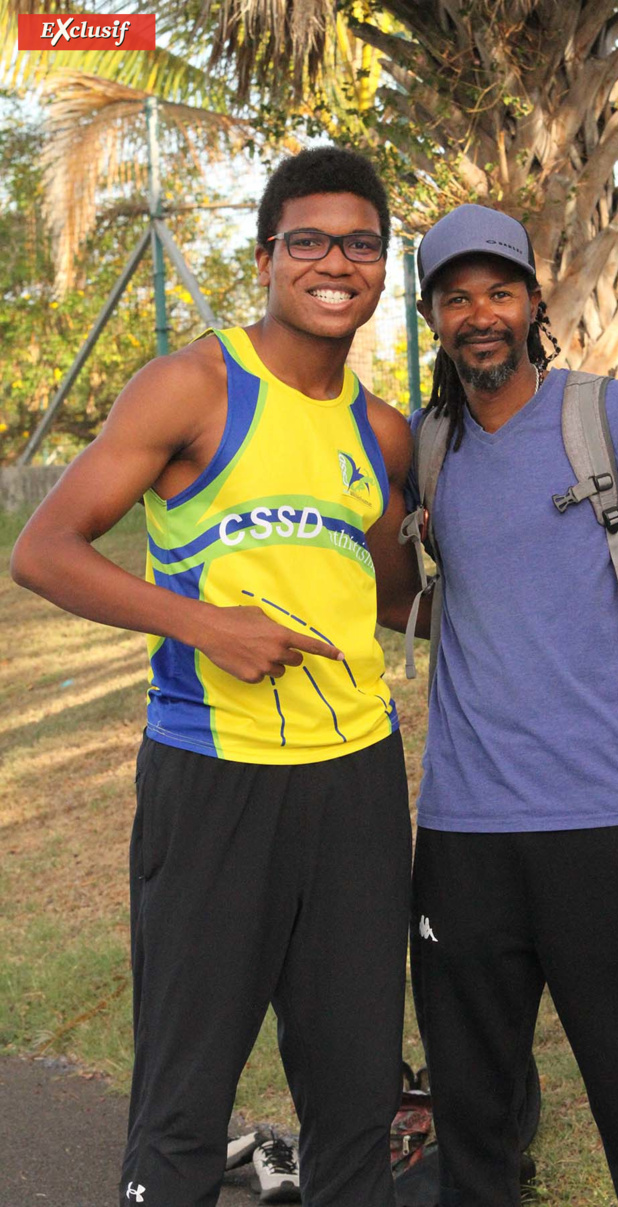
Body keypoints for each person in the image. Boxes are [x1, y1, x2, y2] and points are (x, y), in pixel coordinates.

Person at [11, 147, 420, 1207]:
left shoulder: (382, 433)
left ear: (383, 266)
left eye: (361, 244)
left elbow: (391, 594)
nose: (337, 262)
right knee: (185, 1097)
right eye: (310, 241)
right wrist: (204, 624)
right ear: (267, 257)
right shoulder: (192, 385)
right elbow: (45, 549)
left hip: (357, 787)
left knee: (356, 1095)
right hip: (214, 776)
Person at [395, 204, 618, 1207]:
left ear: (531, 304)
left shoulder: (612, 417)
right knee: (473, 1121)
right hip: (465, 839)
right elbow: (407, 596)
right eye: (456, 295)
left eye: (498, 291)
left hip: (607, 824)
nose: (480, 313)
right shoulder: (426, 447)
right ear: (432, 314)